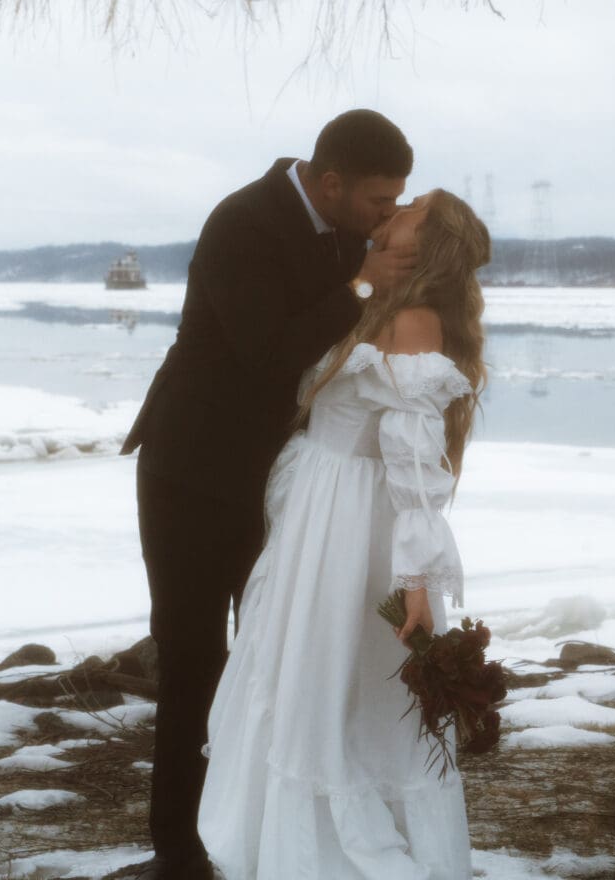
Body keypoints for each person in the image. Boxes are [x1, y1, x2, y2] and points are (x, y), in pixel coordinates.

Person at [120, 110, 418, 880]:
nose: (385, 216)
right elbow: (265, 354)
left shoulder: (352, 234)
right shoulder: (241, 223)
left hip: (278, 480)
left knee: (274, 656)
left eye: (395, 202)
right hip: (191, 472)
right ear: (330, 182)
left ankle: (255, 832)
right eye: (377, 201)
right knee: (192, 657)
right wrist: (358, 286)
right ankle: (178, 853)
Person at [198, 189, 490, 880]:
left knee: (341, 687)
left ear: (424, 245)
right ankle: (285, 843)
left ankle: (339, 854)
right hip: (317, 516)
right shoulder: (370, 303)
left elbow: (414, 461)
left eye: (413, 207)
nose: (398, 205)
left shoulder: (413, 322)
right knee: (301, 675)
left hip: (354, 528)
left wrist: (413, 581)